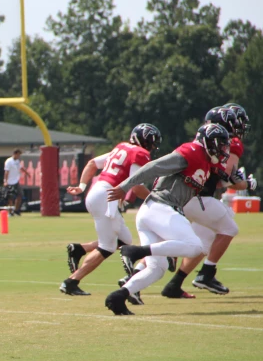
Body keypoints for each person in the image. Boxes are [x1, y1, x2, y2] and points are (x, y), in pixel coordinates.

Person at [104, 123, 231, 315]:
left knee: (157, 268)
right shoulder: (192, 151)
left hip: (151, 212)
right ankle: (135, 251)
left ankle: (118, 297)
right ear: (208, 141)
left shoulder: (205, 161)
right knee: (196, 246)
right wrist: (125, 186)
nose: (223, 149)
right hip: (160, 207)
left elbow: (216, 180)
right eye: (220, 144)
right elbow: (154, 167)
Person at [161, 104, 256, 298]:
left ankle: (173, 284)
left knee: (202, 242)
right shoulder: (227, 143)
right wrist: (248, 184)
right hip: (198, 197)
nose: (238, 130)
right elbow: (225, 180)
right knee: (229, 228)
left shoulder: (199, 140)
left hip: (182, 197)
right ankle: (207, 273)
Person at [59, 124, 161, 300]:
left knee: (125, 240)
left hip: (98, 192)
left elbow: (92, 163)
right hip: (107, 196)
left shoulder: (121, 147)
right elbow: (136, 186)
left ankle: (79, 249)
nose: (152, 147)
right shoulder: (138, 153)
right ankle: (71, 282)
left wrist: (82, 186)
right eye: (151, 142)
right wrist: (158, 200)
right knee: (107, 246)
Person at [3, 149, 30, 215]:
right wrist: (5, 181)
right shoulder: (9, 161)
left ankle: (16, 210)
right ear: (15, 154)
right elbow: (6, 172)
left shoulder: (17, 161)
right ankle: (10, 211)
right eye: (18, 154)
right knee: (10, 197)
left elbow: (21, 168)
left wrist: (27, 173)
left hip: (16, 181)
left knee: (20, 195)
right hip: (10, 182)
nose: (19, 156)